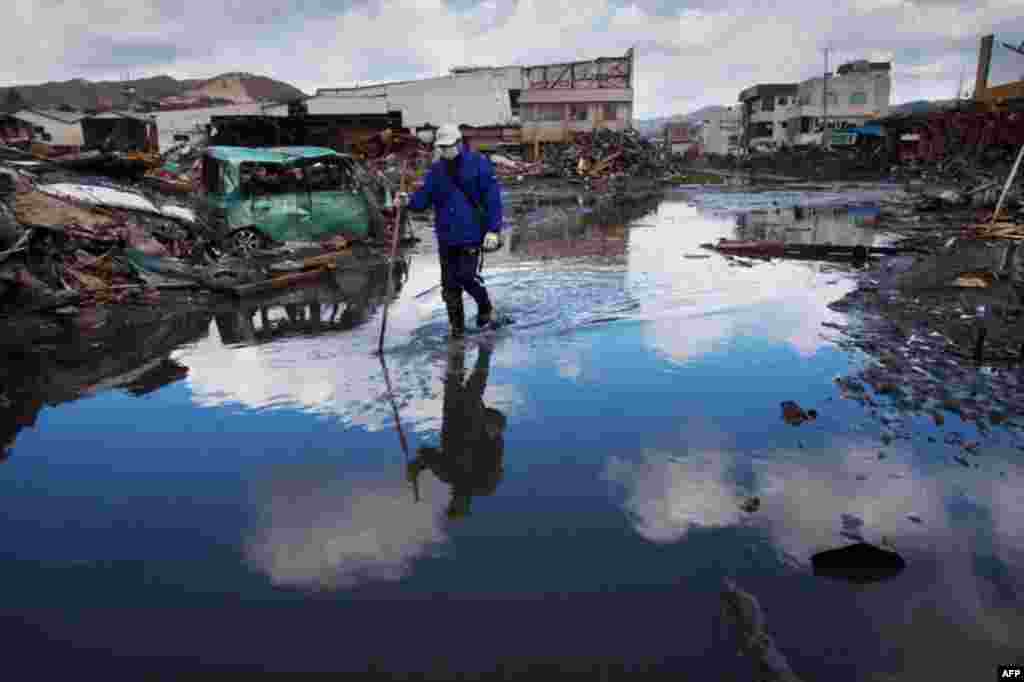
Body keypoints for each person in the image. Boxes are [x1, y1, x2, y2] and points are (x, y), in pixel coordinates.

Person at [398, 123, 503, 339]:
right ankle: (457, 332)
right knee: (449, 288)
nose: (445, 150)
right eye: (441, 147)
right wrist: (407, 200)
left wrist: (493, 230)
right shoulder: (436, 171)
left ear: (458, 143)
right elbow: (423, 199)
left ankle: (485, 307)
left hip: (472, 234)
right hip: (446, 237)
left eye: (448, 146)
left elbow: (492, 199)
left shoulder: (479, 164)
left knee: (466, 276)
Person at [406, 342, 506, 520]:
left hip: (451, 419)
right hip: (474, 424)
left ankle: (458, 344)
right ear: (467, 505)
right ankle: (485, 348)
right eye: (459, 506)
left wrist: (416, 467)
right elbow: (497, 459)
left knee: (453, 381)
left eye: (453, 505)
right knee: (473, 389)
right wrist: (495, 433)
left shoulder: (447, 475)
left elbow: (428, 456)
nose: (455, 501)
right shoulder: (484, 485)